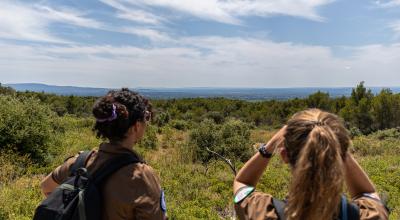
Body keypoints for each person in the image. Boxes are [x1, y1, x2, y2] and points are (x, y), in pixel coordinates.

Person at [233, 109, 389, 220]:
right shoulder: (369, 215)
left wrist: (269, 146)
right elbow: (367, 194)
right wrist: (338, 148)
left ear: (284, 155)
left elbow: (242, 184)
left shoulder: (263, 212)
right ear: (338, 157)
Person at [40, 88, 167, 220]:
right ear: (136, 126)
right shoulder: (141, 177)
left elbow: (46, 187)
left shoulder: (80, 162)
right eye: (146, 117)